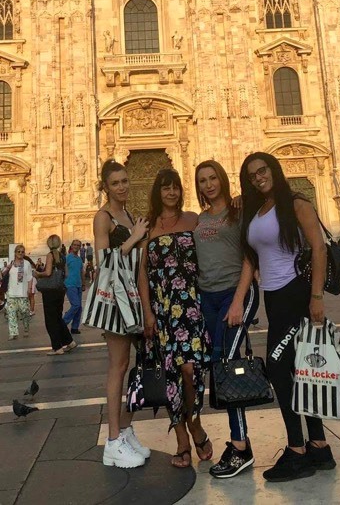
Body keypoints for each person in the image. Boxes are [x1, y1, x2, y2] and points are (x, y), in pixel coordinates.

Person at [239, 152, 335, 482]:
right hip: (275, 297)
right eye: (252, 175)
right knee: (299, 368)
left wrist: (317, 297)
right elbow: (254, 253)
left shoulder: (296, 204)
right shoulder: (257, 209)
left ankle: (297, 450)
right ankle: (319, 447)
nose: (258, 177)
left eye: (262, 170)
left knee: (280, 369)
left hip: (296, 293)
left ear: (274, 170)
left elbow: (318, 249)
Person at [139, 167, 212, 470]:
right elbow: (142, 272)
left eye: (176, 188)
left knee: (190, 369)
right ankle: (182, 437)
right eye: (165, 188)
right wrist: (147, 312)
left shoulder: (194, 219)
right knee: (171, 374)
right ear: (157, 192)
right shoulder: (147, 227)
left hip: (193, 304)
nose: (171, 193)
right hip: (164, 308)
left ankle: (194, 422)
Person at [193, 160, 259, 478]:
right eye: (202, 180)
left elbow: (250, 256)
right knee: (219, 366)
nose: (208, 185)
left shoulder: (238, 212)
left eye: (213, 178)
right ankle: (240, 442)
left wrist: (237, 302)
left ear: (223, 179)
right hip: (209, 297)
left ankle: (240, 446)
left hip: (236, 293)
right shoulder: (200, 219)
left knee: (228, 365)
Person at [91, 159, 150, 469]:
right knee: (117, 366)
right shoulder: (103, 218)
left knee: (131, 365)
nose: (122, 186)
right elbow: (102, 261)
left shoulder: (126, 214)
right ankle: (112, 440)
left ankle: (125, 430)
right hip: (116, 299)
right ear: (106, 187)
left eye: (125, 181)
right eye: (116, 183)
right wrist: (134, 236)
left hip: (132, 297)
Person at [31, 234, 75, 355]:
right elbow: (66, 274)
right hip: (60, 289)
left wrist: (38, 274)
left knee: (50, 320)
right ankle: (69, 341)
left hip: (50, 291)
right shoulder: (63, 256)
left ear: (49, 244)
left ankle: (57, 347)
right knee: (57, 317)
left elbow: (48, 272)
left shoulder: (50, 255)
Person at [2, 244, 33, 340]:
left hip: (23, 292)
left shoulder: (27, 264)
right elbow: (3, 274)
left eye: (22, 252)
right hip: (11, 292)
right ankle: (13, 333)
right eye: (18, 251)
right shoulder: (11, 263)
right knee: (11, 313)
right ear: (15, 253)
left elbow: (30, 278)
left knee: (25, 312)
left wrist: (29, 289)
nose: (20, 253)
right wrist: (7, 267)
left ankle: (26, 328)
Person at [63, 240, 85, 335]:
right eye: (75, 245)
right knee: (76, 305)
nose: (76, 246)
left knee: (79, 307)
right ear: (71, 246)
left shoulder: (79, 259)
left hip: (78, 285)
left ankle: (75, 328)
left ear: (80, 247)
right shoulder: (67, 258)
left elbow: (81, 272)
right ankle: (63, 323)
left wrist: (83, 283)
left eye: (78, 245)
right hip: (69, 284)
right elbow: (64, 270)